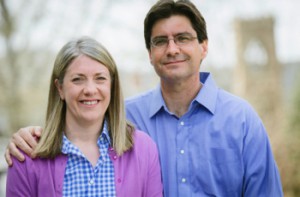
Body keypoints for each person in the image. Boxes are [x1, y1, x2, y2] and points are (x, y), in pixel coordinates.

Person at [5, 0, 283, 196]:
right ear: (150, 54)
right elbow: (75, 125)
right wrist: (27, 136)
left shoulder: (241, 120)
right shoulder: (122, 118)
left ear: (204, 46)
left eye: (183, 38)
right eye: (160, 41)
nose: (172, 49)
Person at [5, 36, 163, 197]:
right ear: (60, 88)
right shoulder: (26, 156)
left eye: (100, 78)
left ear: (112, 86)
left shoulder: (144, 150)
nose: (90, 89)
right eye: (78, 79)